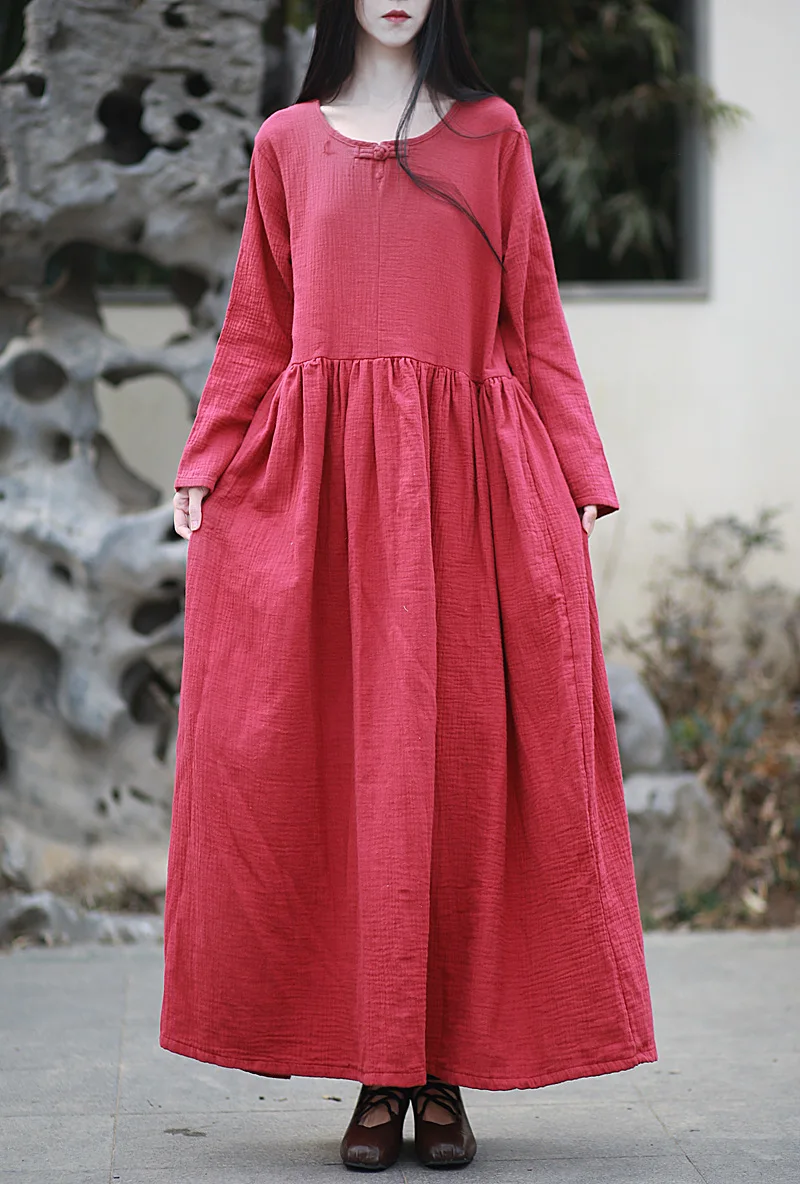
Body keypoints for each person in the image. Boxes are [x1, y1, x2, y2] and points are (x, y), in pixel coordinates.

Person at [160, 0, 657, 1172]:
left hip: (471, 494)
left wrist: (578, 468)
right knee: (345, 784)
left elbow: (532, 315)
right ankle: (378, 1075)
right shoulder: (285, 142)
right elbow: (258, 326)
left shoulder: (492, 134)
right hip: (325, 501)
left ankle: (440, 1074)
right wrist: (206, 457)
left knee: (459, 782)